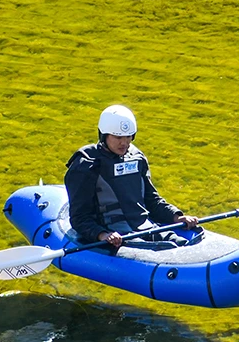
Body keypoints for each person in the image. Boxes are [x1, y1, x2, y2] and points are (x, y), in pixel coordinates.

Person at [64, 105, 199, 249]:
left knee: (179, 244)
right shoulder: (86, 164)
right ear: (104, 135)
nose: (124, 143)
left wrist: (176, 216)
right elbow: (79, 217)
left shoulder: (136, 158)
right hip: (116, 235)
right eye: (118, 137)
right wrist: (102, 234)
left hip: (146, 227)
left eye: (129, 136)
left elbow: (152, 200)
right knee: (161, 249)